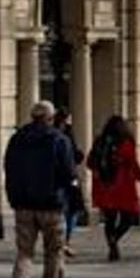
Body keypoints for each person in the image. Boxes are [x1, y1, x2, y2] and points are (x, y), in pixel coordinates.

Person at [3, 99, 75, 278]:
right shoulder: (59, 140)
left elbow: (8, 168)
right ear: (51, 118)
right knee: (54, 251)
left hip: (23, 204)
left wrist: (14, 197)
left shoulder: (17, 139)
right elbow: (69, 173)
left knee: (24, 252)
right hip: (52, 205)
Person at [88, 115, 140, 262]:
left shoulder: (101, 140)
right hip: (124, 186)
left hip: (105, 186)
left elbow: (90, 162)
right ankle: (114, 240)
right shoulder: (126, 142)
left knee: (110, 219)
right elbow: (134, 165)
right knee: (128, 218)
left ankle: (112, 243)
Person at [55, 107, 85, 258]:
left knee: (64, 211)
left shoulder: (54, 134)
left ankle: (62, 242)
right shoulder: (65, 136)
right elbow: (75, 156)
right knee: (70, 211)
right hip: (67, 180)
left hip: (56, 180)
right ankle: (64, 242)